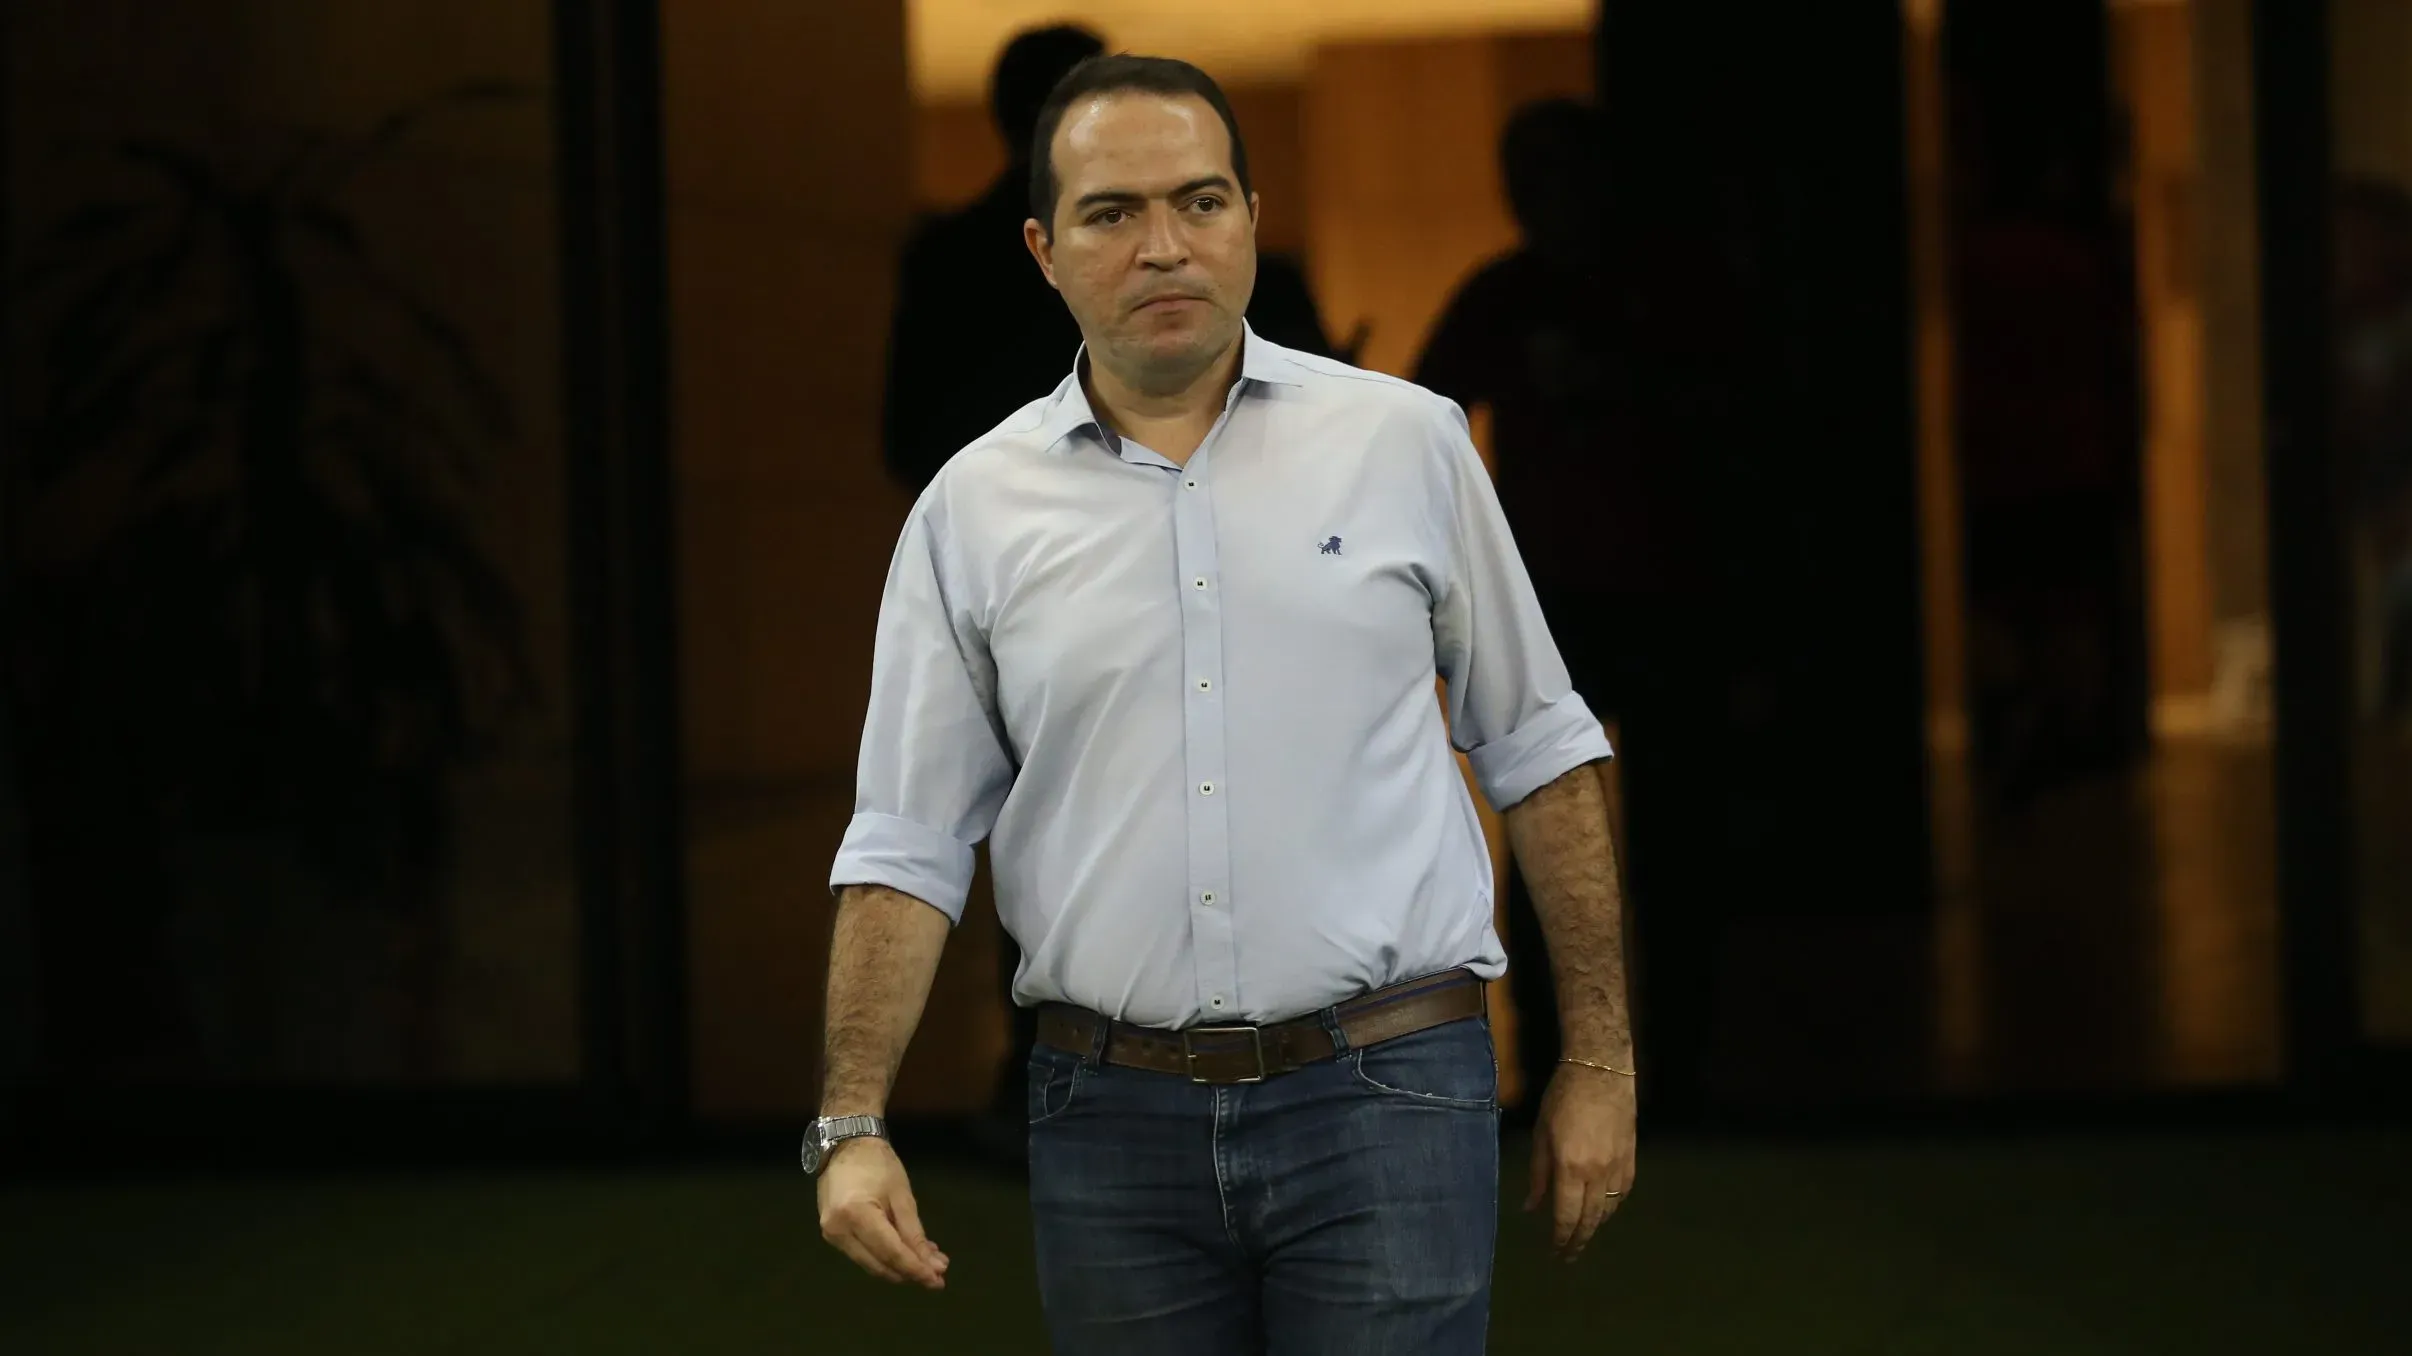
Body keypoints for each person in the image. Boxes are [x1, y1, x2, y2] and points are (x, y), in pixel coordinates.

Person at [817, 54, 1637, 1355]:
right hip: (1107, 1115)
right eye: (1111, 212)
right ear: (1042, 247)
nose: (1164, 246)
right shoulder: (971, 511)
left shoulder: (1405, 445)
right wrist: (851, 1123)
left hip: (1389, 1089)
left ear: (1253, 217)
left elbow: (1543, 751)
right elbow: (906, 842)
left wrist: (1596, 1061)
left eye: (1201, 202)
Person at [1413, 100, 1713, 1123]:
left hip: (1656, 597)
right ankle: (1555, 1067)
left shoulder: (1659, 295)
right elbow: (1425, 420)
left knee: (1672, 849)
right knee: (1548, 840)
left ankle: (1679, 1070)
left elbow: (1729, 425)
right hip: (1548, 607)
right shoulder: (1509, 297)